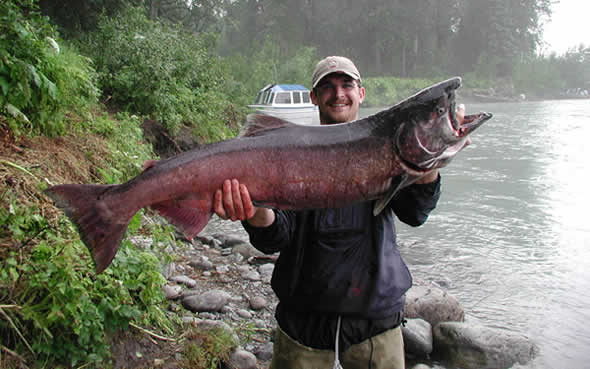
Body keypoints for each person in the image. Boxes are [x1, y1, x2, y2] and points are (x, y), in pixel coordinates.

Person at [213, 56, 465, 369]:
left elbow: (415, 214)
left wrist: (430, 165)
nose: (338, 94)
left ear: (361, 93)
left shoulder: (390, 148)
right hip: (302, 325)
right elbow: (273, 238)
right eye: (327, 87)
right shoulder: (288, 154)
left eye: (347, 85)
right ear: (313, 97)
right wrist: (254, 210)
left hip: (376, 325)